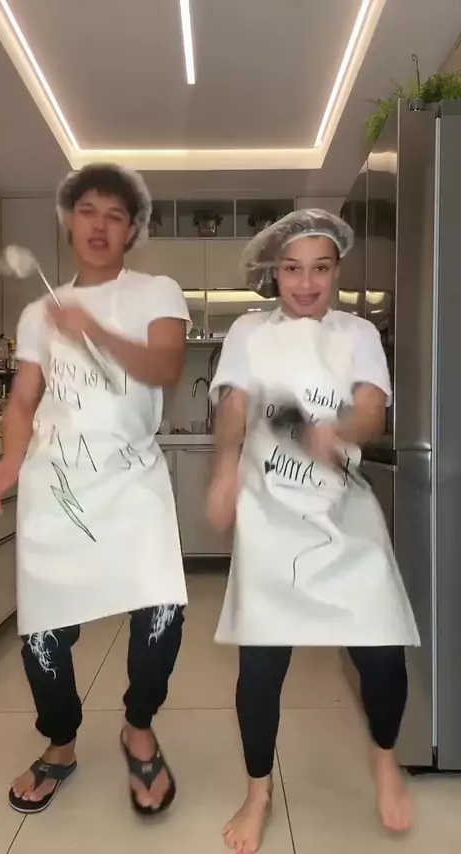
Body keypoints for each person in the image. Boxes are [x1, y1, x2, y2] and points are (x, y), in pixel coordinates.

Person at [207, 209, 420, 854]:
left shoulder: (358, 332)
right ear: (275, 272)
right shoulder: (248, 331)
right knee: (260, 668)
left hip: (343, 512)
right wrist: (224, 472)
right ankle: (258, 792)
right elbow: (234, 404)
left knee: (381, 655)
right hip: (270, 514)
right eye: (293, 269)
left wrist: (339, 431)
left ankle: (384, 756)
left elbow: (372, 408)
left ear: (336, 271)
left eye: (320, 269)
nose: (306, 284)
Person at [0, 164, 191, 817]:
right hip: (56, 486)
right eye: (87, 211)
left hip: (132, 481)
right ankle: (61, 741)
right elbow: (24, 398)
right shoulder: (36, 313)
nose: (99, 225)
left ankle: (138, 725)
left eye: (115, 215)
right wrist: (10, 459)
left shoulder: (156, 291)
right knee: (43, 634)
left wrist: (95, 329)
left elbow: (167, 364)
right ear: (69, 222)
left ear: (132, 230)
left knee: (163, 614)